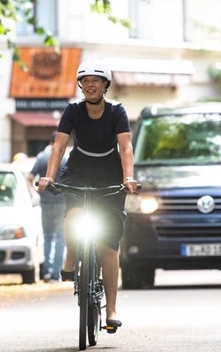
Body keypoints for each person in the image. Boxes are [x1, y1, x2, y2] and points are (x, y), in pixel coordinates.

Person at [36, 59, 138, 329]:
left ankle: (112, 310)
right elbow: (59, 146)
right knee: (73, 216)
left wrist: (128, 177)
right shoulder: (72, 110)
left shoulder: (117, 111)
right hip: (79, 171)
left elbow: (125, 147)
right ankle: (70, 258)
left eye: (96, 80)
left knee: (108, 246)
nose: (90, 84)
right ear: (81, 85)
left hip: (110, 174)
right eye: (85, 80)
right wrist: (49, 175)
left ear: (105, 85)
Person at [27, 131, 68, 283]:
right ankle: (57, 273)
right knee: (60, 238)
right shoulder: (65, 159)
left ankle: (47, 271)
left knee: (48, 236)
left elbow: (30, 178)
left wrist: (37, 192)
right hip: (62, 203)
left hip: (45, 203)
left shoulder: (42, 158)